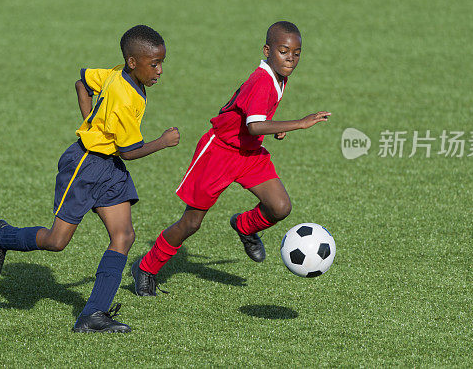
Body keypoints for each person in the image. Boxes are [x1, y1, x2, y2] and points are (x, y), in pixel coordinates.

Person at [0, 25, 180, 332]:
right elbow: (130, 152)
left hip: (109, 168)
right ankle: (3, 236)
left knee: (124, 236)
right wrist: (163, 141)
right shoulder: (125, 98)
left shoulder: (117, 73)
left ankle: (93, 315)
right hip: (86, 165)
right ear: (132, 62)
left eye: (161, 62)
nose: (160, 70)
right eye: (154, 64)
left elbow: (82, 83)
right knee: (56, 241)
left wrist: (90, 118)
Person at [131, 21, 330, 296]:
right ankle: (146, 267)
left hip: (248, 154)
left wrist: (276, 128)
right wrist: (298, 123)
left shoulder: (279, 74)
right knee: (191, 223)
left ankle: (244, 226)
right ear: (267, 50)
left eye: (297, 53)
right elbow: (254, 125)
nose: (291, 59)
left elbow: (254, 117)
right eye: (284, 51)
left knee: (280, 206)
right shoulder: (262, 80)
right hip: (219, 153)